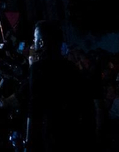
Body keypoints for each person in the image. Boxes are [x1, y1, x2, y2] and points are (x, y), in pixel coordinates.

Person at [24, 20, 95, 151]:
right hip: (72, 132)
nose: (33, 42)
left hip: (51, 134)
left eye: (35, 38)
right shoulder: (71, 67)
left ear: (41, 42)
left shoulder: (38, 68)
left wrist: (29, 141)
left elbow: (34, 107)